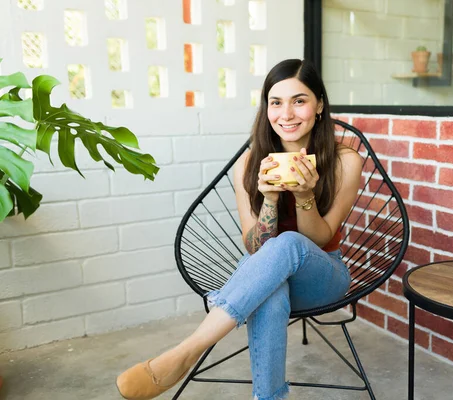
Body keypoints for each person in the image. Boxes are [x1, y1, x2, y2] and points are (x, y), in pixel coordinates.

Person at [116, 58, 363, 400]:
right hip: (268, 271)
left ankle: (189, 350)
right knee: (269, 292)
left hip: (323, 275)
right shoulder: (249, 164)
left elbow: (320, 239)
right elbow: (256, 249)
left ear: (319, 105)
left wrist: (305, 194)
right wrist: (271, 199)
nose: (287, 114)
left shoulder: (344, 160)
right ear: (266, 108)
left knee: (289, 244)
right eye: (276, 103)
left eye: (299, 101)